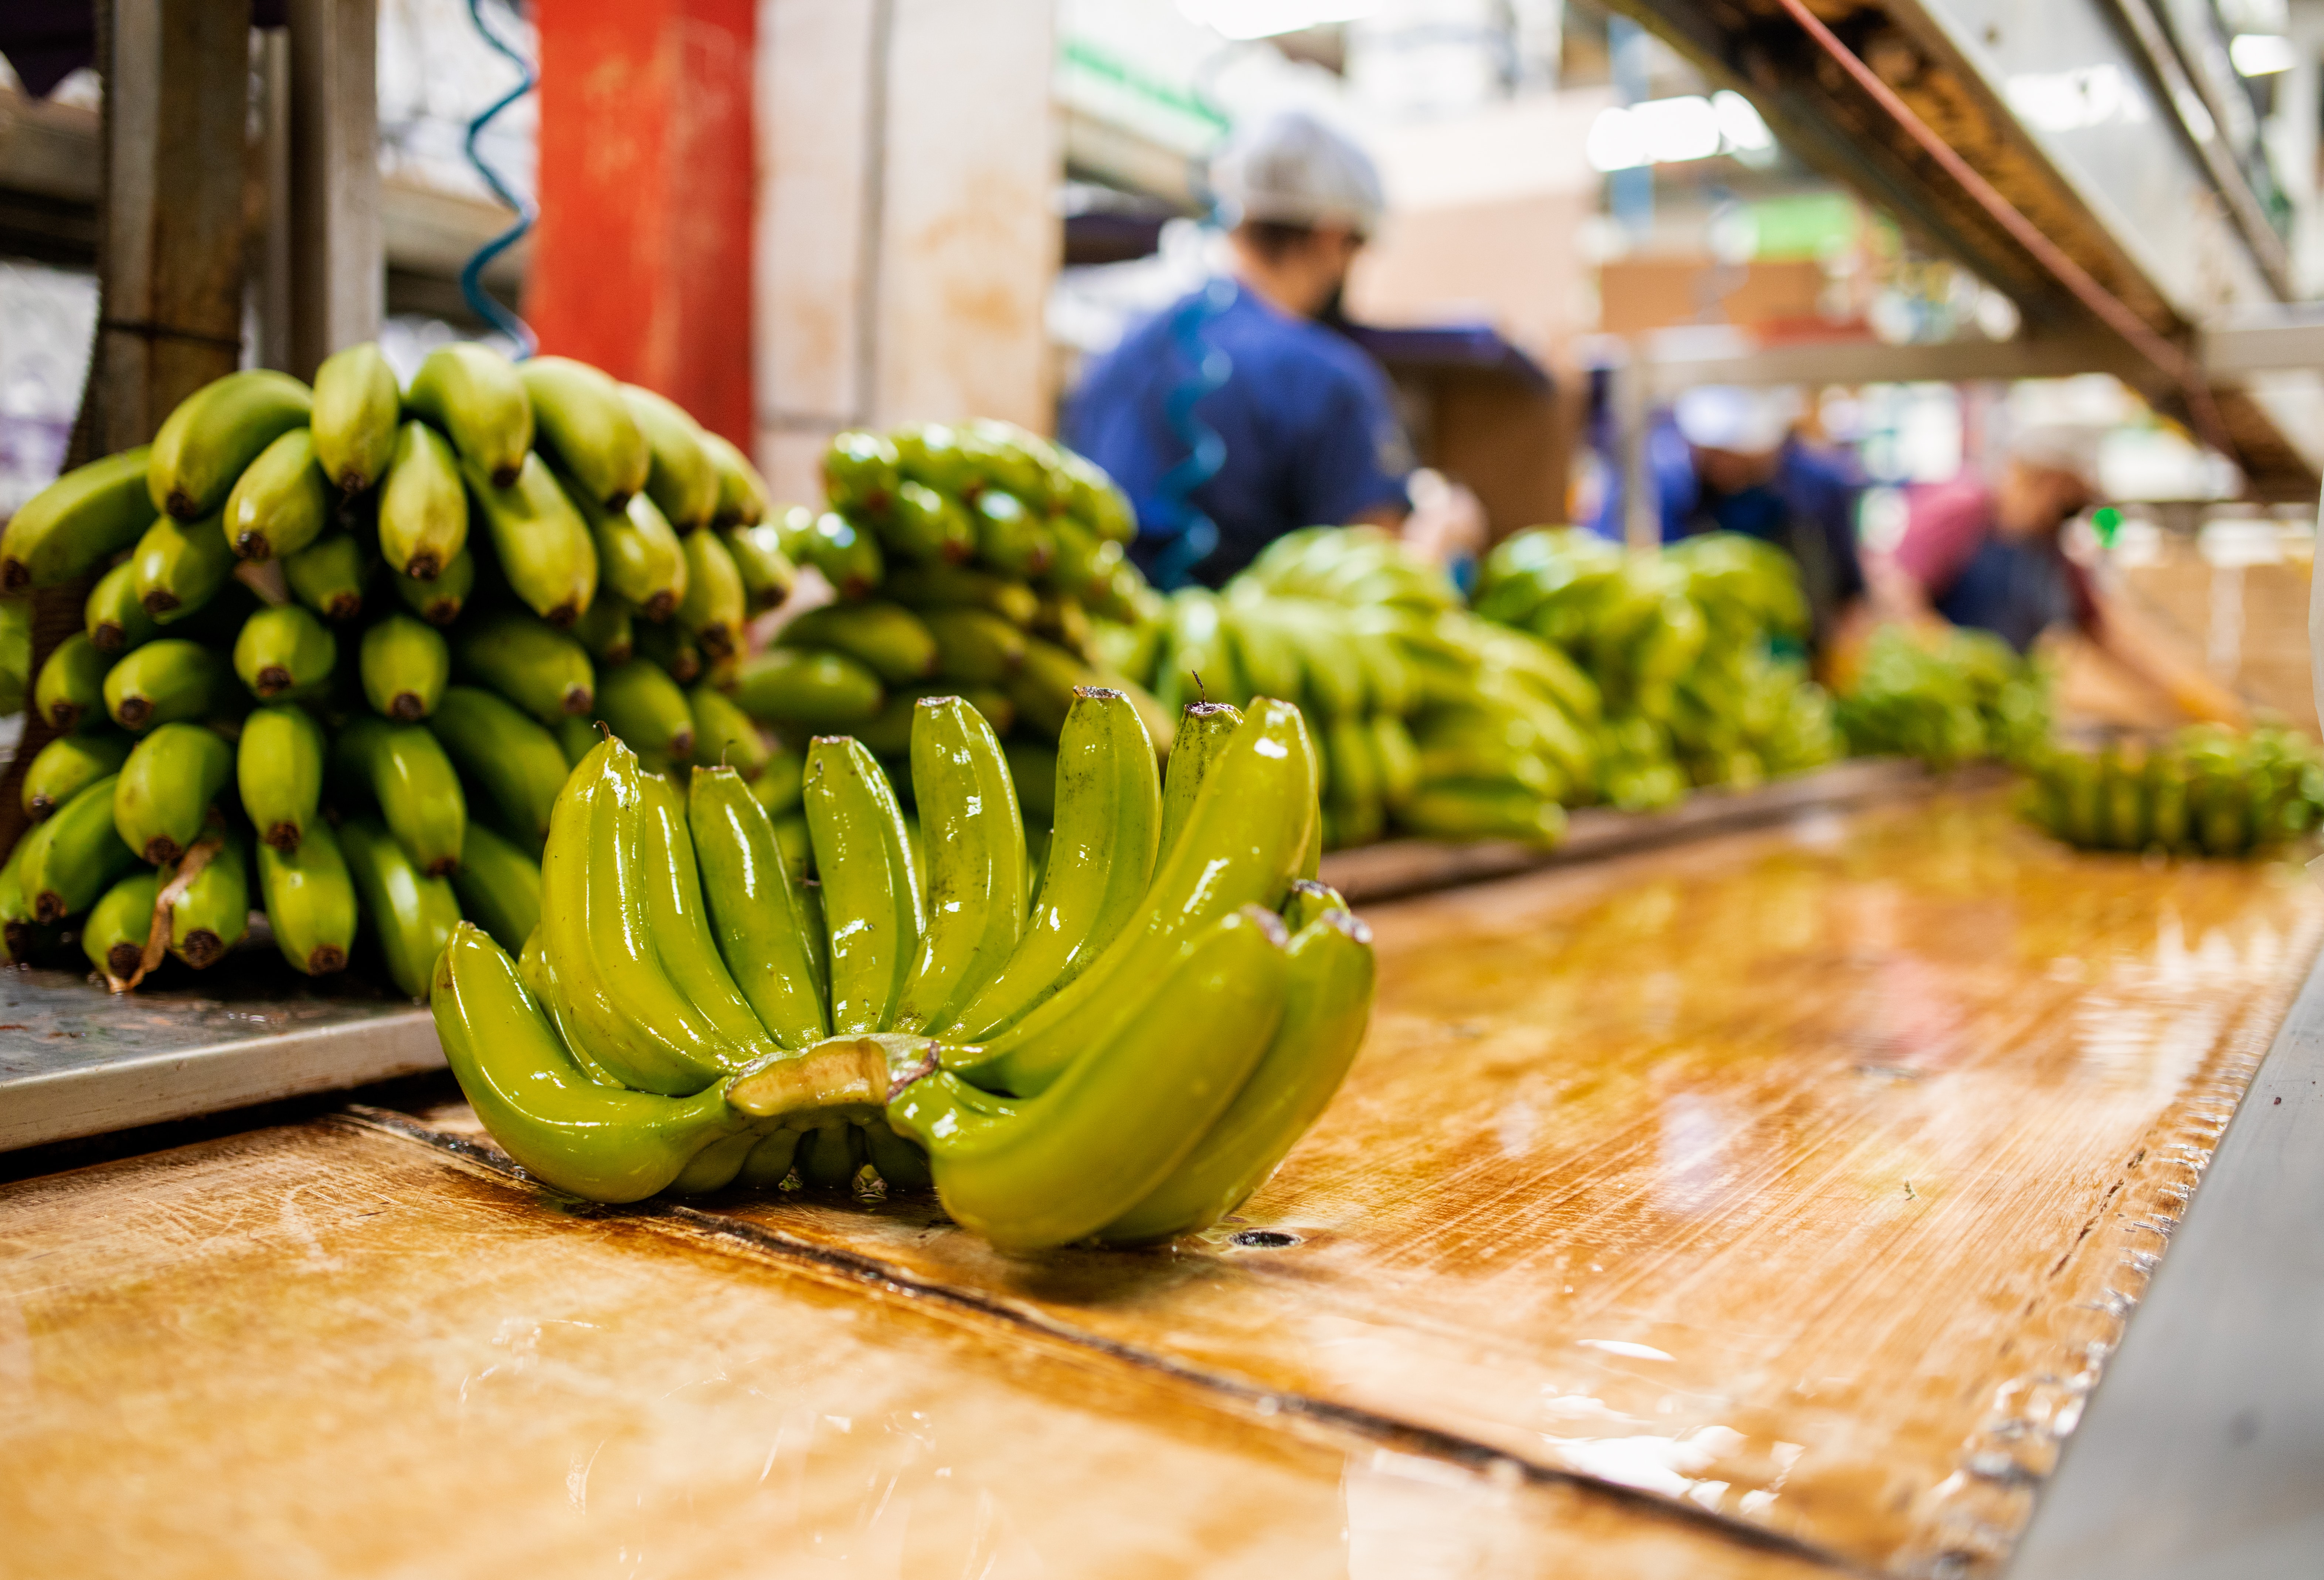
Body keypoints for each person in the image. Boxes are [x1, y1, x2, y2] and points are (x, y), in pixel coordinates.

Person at [1065, 110, 1415, 588]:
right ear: (1332, 236)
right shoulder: (1331, 380)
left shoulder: (1119, 347)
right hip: (1235, 662)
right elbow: (1375, 579)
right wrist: (1442, 542)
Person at [1871, 427, 2247, 723]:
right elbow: (1896, 594)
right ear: (2026, 473)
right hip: (1934, 711)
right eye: (2059, 490)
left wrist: (2193, 699)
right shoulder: (1964, 512)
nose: (2065, 508)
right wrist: (1956, 658)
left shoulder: (2053, 554)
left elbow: (2106, 634)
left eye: (2075, 498)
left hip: (2000, 718)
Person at [1594, 385, 1867, 648]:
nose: (1725, 465)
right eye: (1713, 453)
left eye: (1741, 455)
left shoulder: (1819, 488)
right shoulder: (1652, 489)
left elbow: (1849, 596)